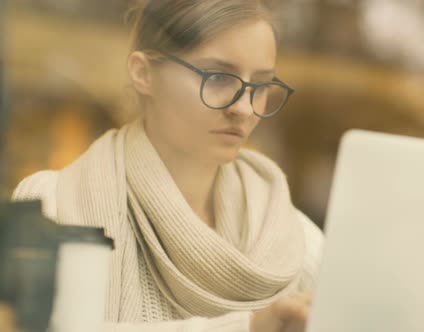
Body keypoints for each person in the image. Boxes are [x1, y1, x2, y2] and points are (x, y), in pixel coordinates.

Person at [11, 1, 324, 331]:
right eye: (219, 77)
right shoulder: (51, 205)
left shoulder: (296, 240)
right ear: (143, 73)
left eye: (260, 85)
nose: (245, 108)